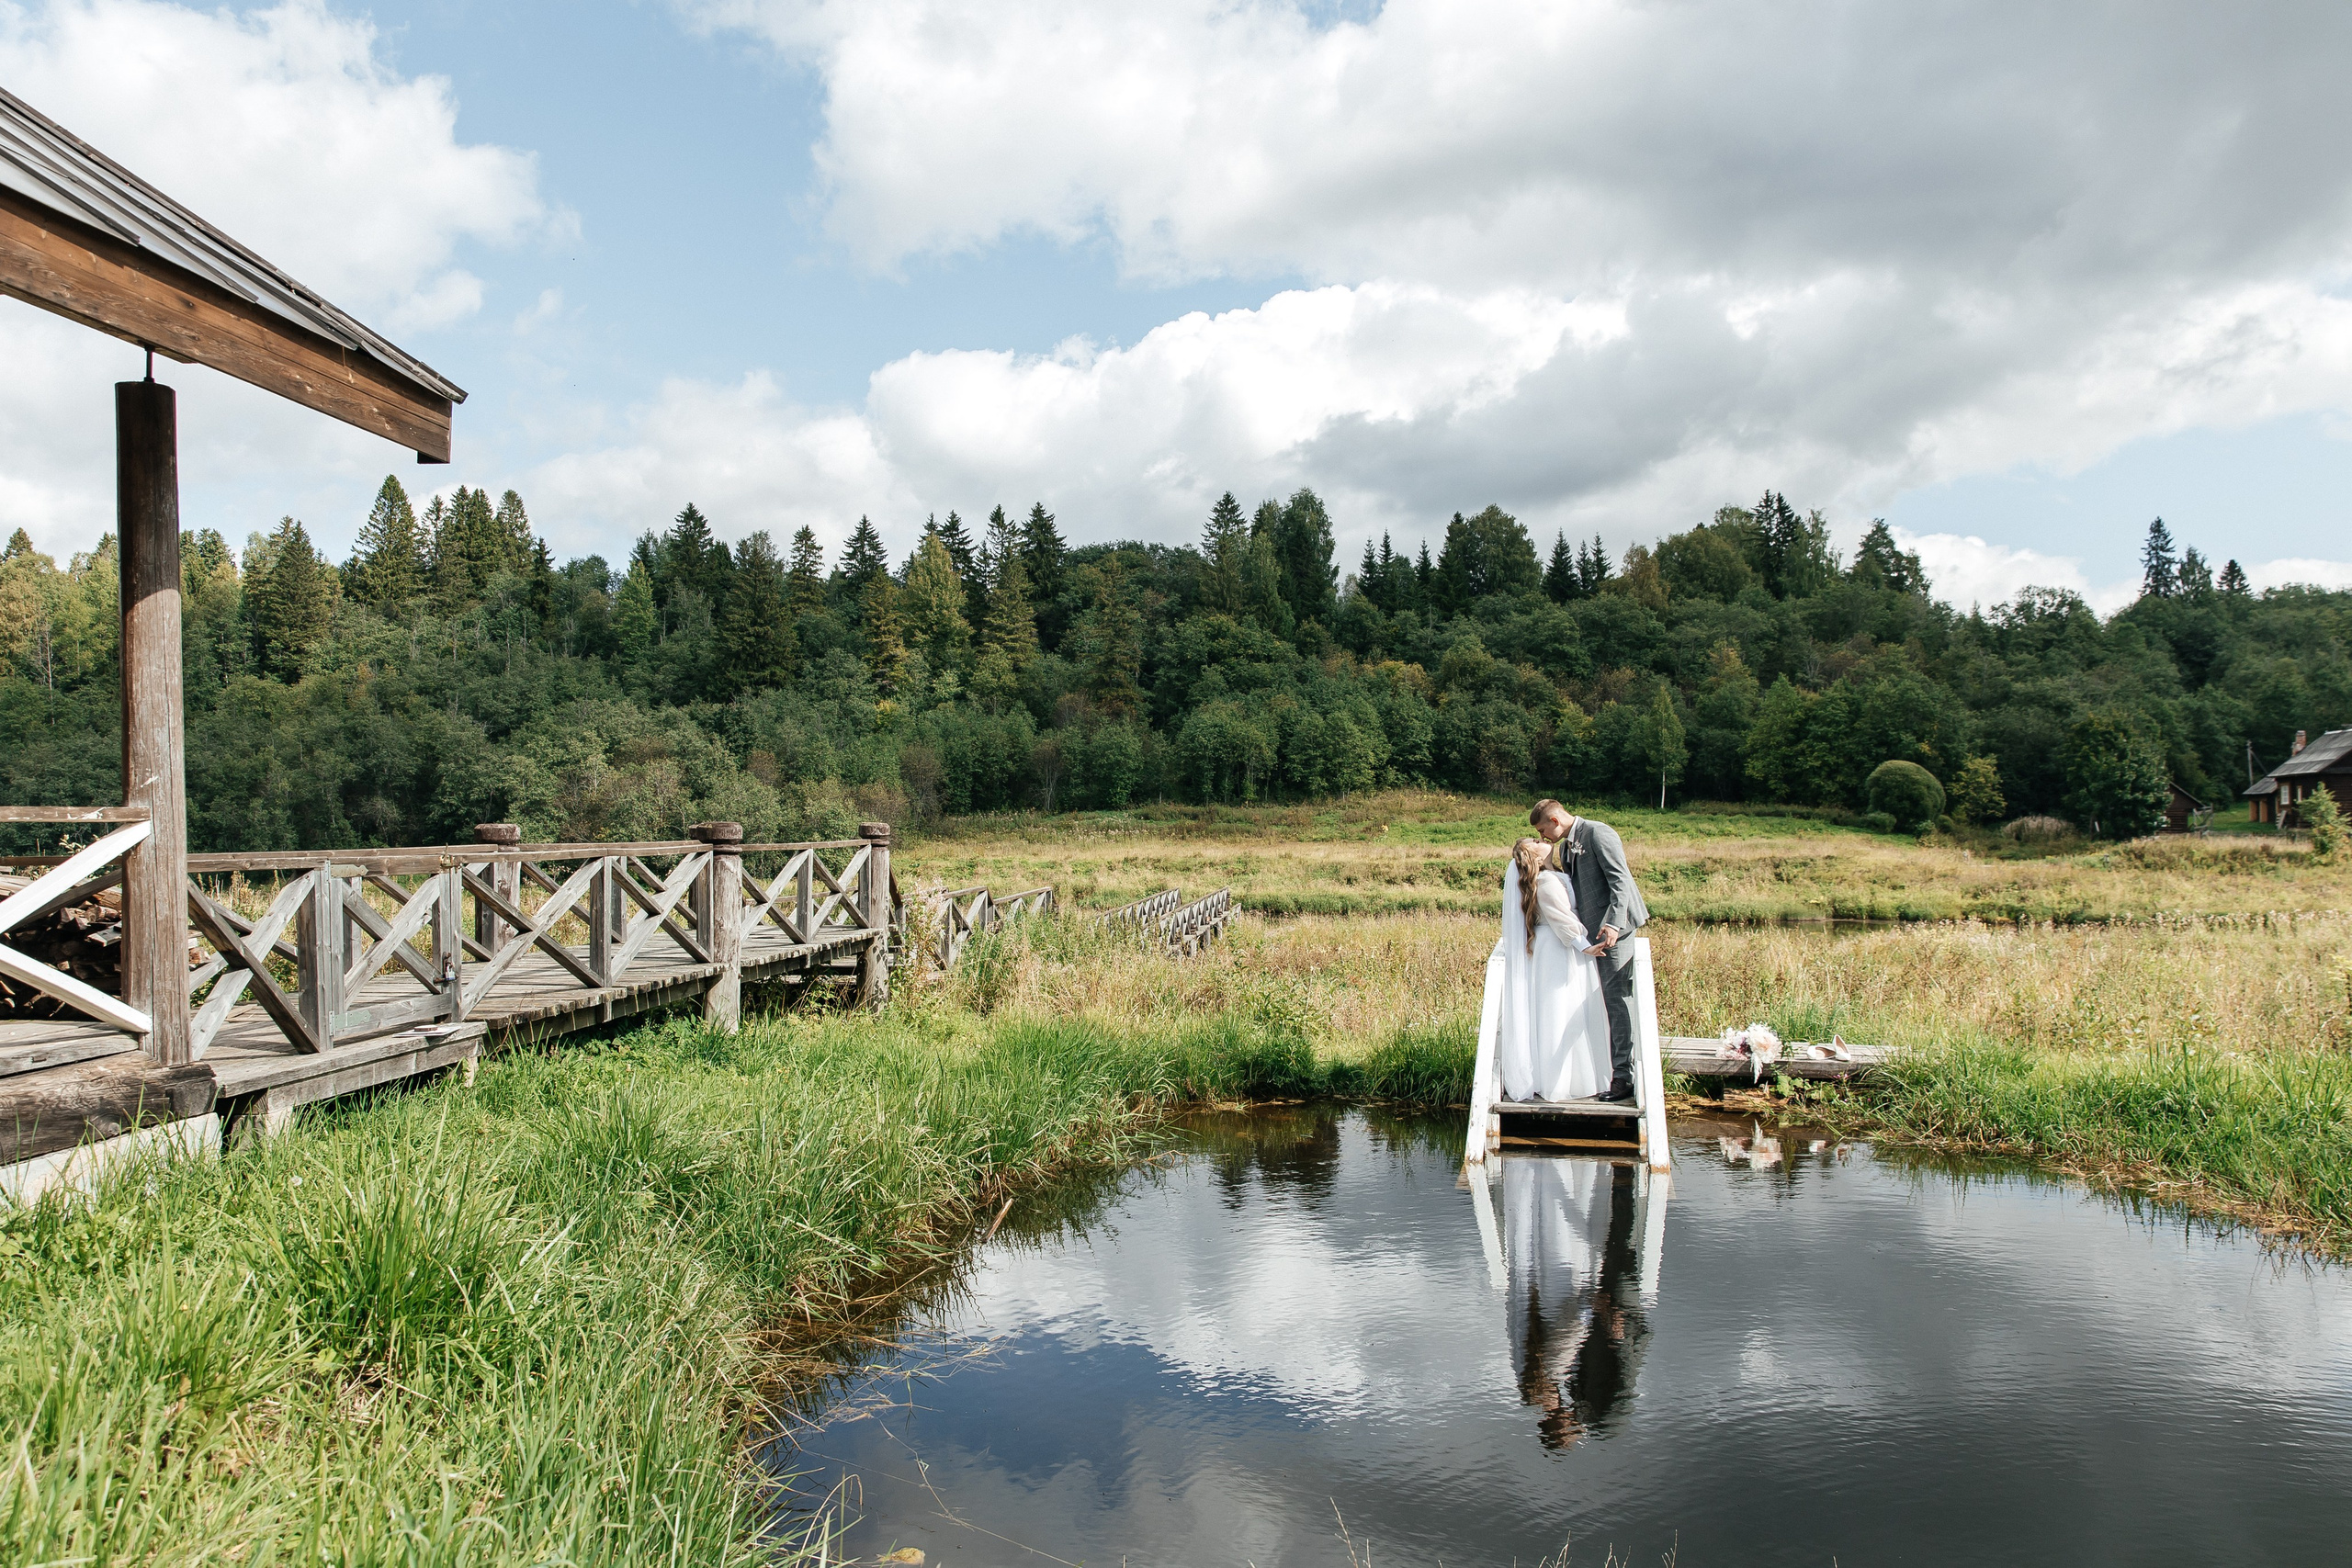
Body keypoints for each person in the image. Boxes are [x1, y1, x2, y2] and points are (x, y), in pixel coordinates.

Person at [1529, 798, 1650, 1101]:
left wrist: (1613, 924)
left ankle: (1623, 1077)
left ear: (1555, 821)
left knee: (1616, 1000)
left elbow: (1620, 881)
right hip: (1591, 936)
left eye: (1543, 831)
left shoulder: (1598, 833)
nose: (1543, 837)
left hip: (1614, 932)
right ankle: (1600, 1070)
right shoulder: (1566, 847)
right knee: (1596, 1002)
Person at [1491, 837, 1612, 1102]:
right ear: (1534, 856)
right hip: (1558, 947)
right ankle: (1558, 1080)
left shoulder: (1554, 874)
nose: (1542, 839)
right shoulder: (1545, 882)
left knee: (1565, 1007)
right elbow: (1560, 917)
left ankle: (1571, 1076)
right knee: (1559, 1009)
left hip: (1557, 944)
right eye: (1535, 840)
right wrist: (1584, 946)